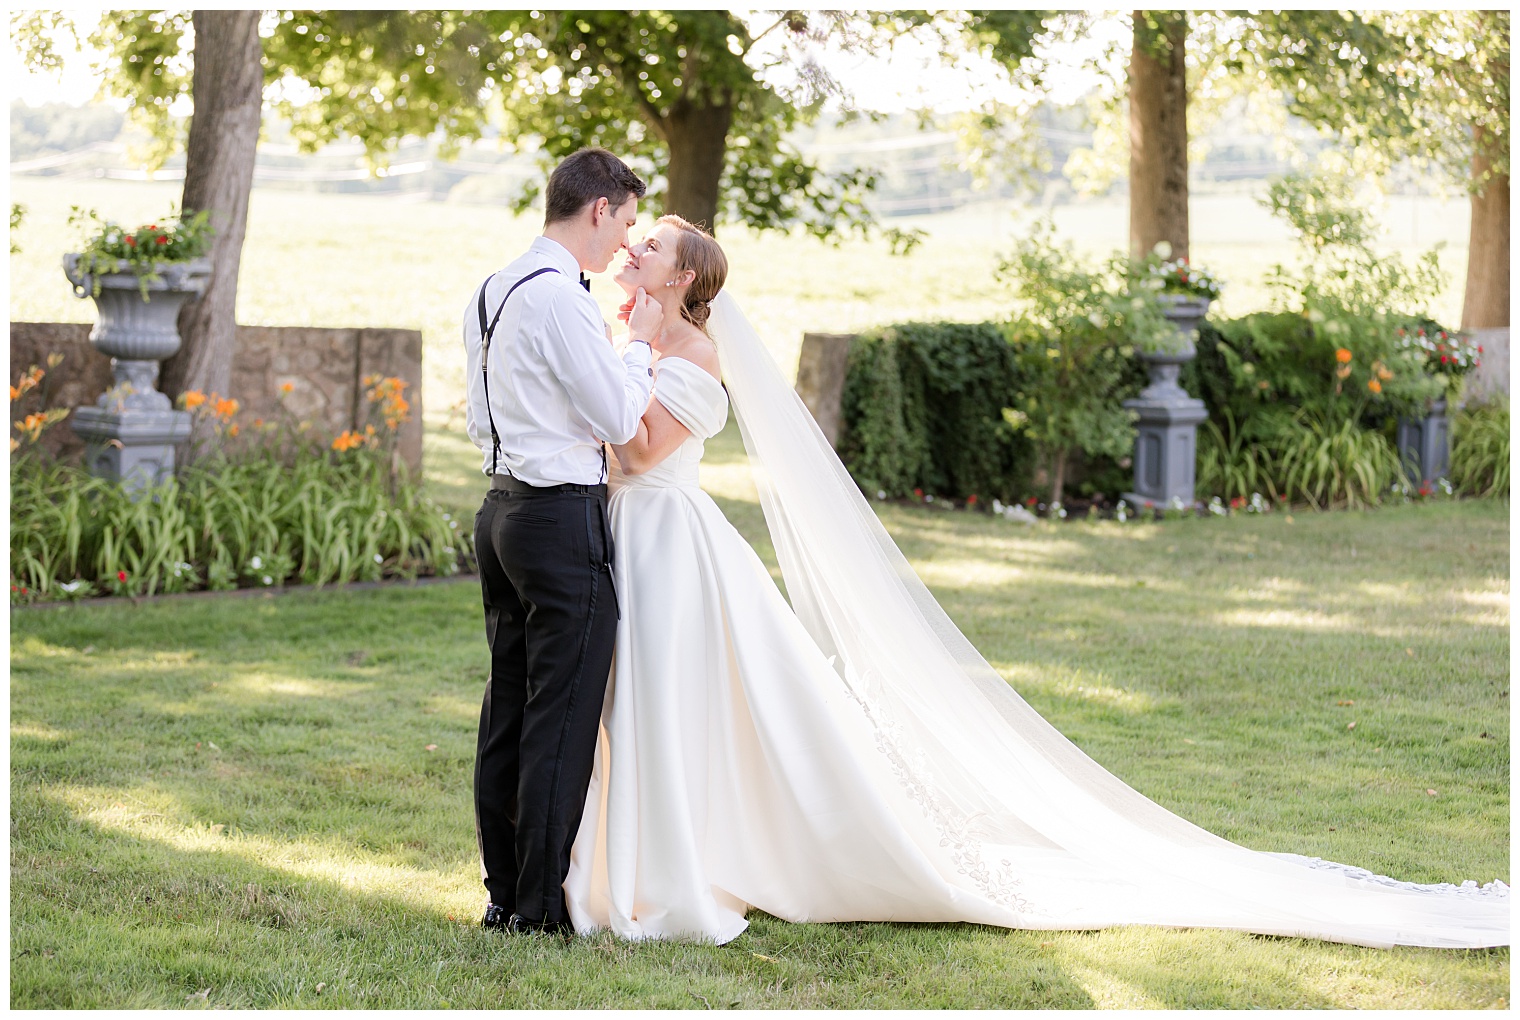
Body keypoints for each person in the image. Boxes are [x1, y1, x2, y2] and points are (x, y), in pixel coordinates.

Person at [563, 216, 1509, 949]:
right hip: (621, 536)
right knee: (634, 701)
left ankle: (680, 863)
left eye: (648, 246)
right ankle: (643, 849)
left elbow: (639, 448)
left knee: (668, 697)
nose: (633, 252)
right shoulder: (629, 331)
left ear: (682, 276)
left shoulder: (691, 356)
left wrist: (631, 354)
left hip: (667, 544)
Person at [463, 147, 665, 936]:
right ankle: (541, 907)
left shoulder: (493, 287)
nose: (626, 242)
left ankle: (503, 894)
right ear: (598, 210)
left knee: (508, 709)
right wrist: (643, 342)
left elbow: (487, 414)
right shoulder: (560, 299)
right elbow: (619, 421)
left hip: (501, 512)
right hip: (557, 519)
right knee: (563, 714)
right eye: (626, 222)